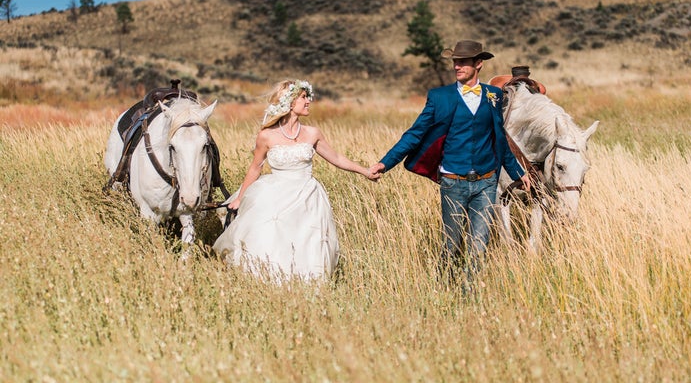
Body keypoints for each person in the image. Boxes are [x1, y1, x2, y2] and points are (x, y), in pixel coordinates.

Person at [370, 40, 531, 279]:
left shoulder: (494, 95)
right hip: (452, 182)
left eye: (463, 62)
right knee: (451, 244)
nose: (457, 66)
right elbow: (415, 134)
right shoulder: (439, 97)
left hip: (486, 183)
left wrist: (518, 173)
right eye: (455, 62)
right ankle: (444, 288)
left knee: (479, 246)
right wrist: (385, 163)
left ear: (479, 64)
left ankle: (470, 296)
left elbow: (499, 138)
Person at [213, 79, 380, 281]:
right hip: (274, 195)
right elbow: (255, 168)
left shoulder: (312, 133)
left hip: (307, 196)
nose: (309, 101)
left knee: (308, 240)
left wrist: (365, 171)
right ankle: (270, 280)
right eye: (303, 97)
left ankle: (308, 282)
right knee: (271, 236)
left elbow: (336, 158)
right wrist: (240, 197)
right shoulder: (266, 136)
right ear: (290, 102)